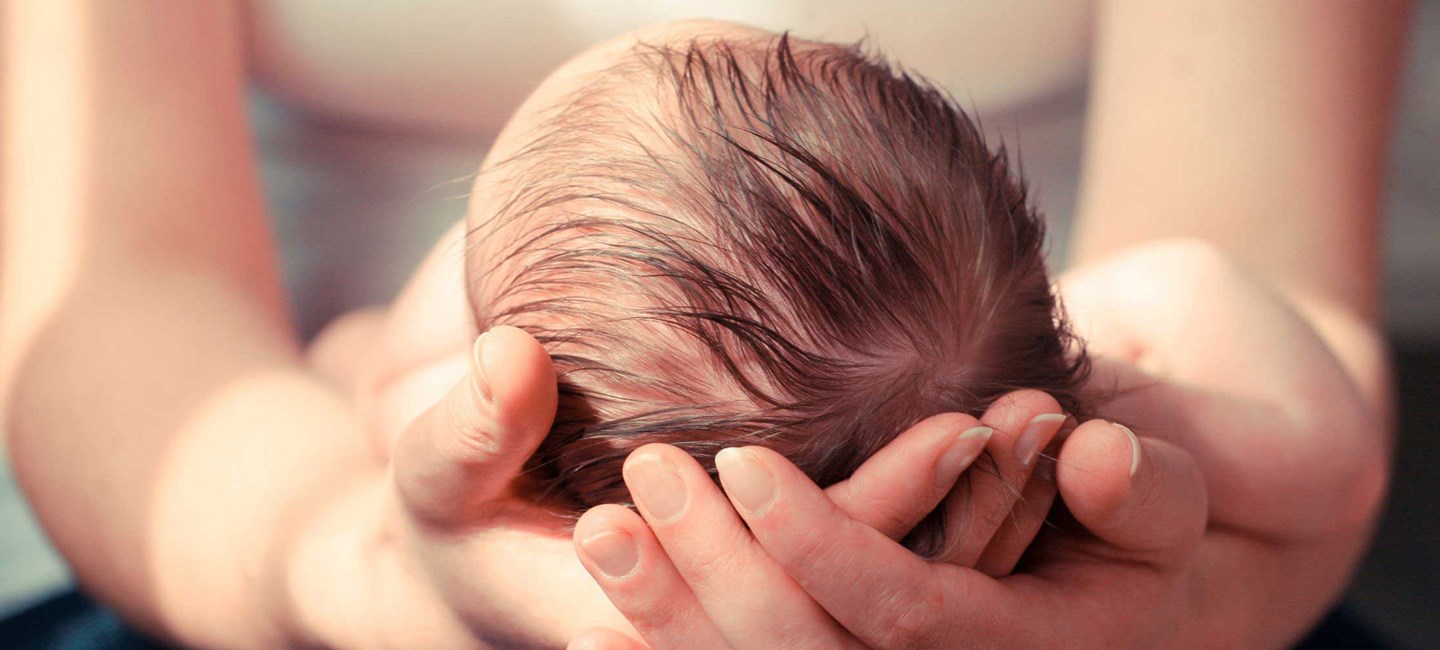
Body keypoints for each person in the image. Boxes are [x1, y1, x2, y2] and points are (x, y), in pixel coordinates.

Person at [2, 2, 1405, 649]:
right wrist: (1138, 406)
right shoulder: (1116, 367)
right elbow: (1332, 449)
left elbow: (361, 385)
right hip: (298, 563)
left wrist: (363, 374)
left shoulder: (440, 365)